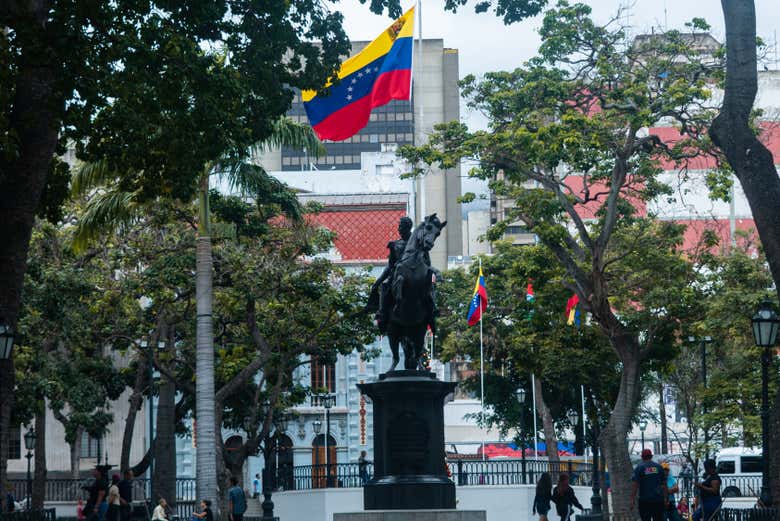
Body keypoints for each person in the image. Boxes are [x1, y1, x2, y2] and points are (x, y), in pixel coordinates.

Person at [367, 216, 413, 332]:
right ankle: (382, 313)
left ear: (408, 228)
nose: (399, 229)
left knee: (428, 285)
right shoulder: (394, 244)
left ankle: (432, 309)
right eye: (399, 227)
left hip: (413, 273)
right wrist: (378, 281)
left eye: (401, 227)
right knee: (384, 286)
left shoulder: (416, 244)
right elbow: (390, 266)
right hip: (397, 274)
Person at [631, 448, 667, 521]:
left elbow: (635, 485)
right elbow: (664, 485)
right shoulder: (659, 467)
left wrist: (632, 499)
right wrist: (666, 498)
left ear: (642, 457)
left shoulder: (639, 468)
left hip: (645, 501)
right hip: (658, 500)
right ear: (651, 456)